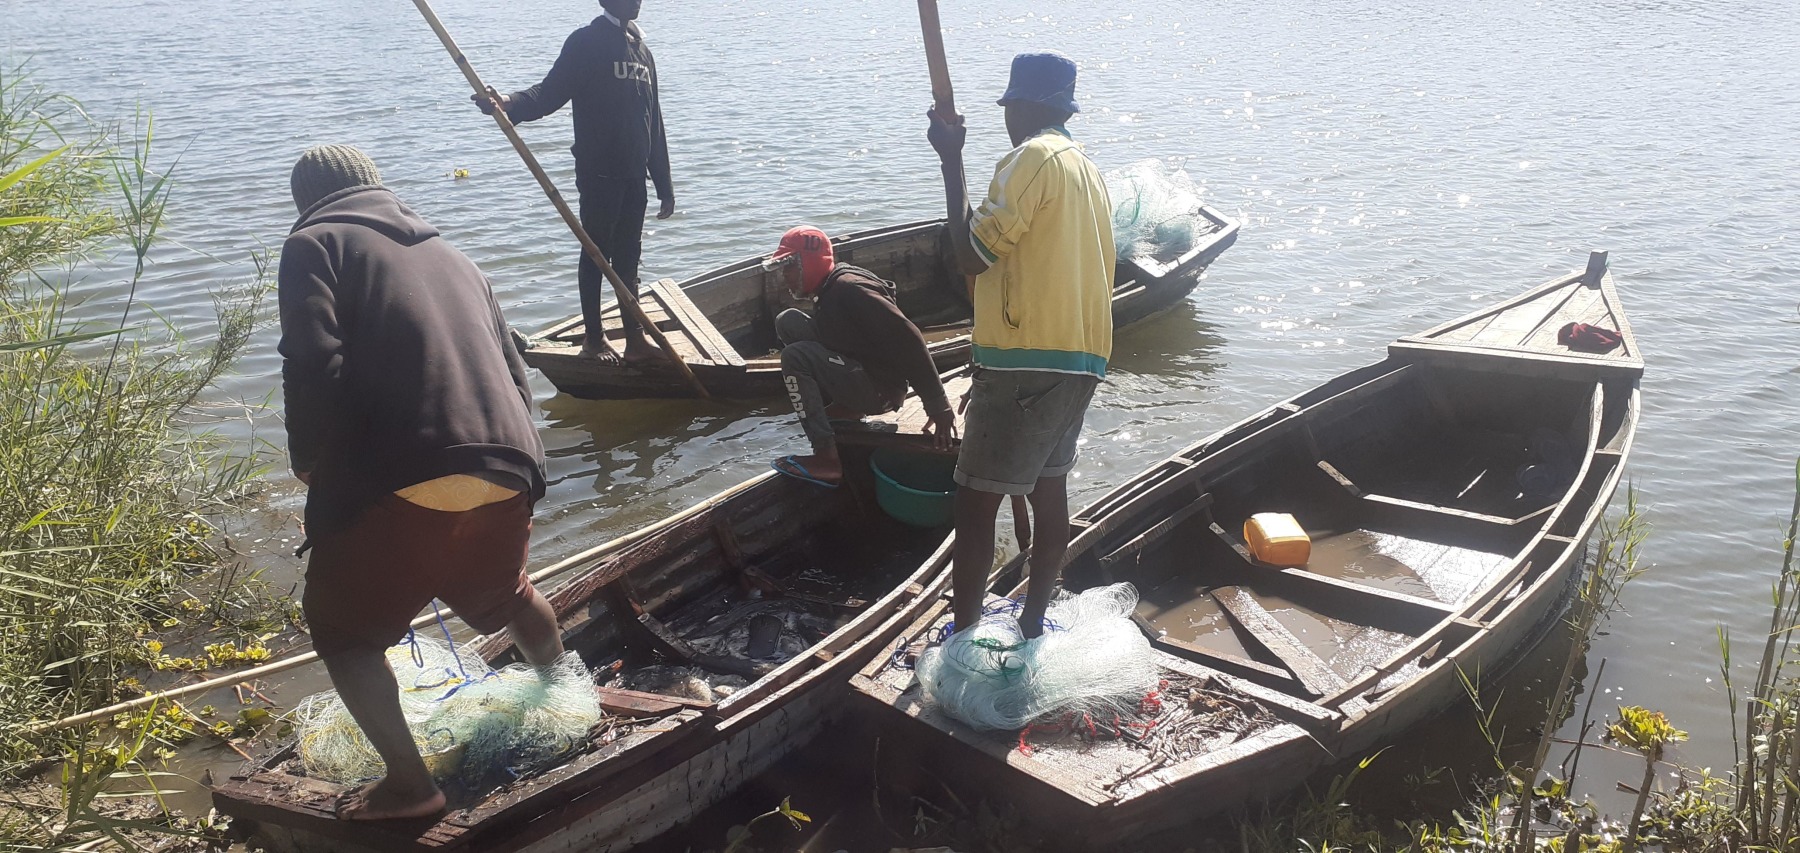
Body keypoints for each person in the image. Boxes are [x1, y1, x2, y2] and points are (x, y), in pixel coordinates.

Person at [278, 145, 565, 821]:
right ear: (377, 188)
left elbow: (314, 364)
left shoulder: (314, 243)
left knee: (344, 632)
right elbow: (513, 368)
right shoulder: (455, 255)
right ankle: (564, 698)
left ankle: (412, 788)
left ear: (307, 198)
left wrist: (309, 462)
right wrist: (522, 468)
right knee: (511, 591)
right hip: (512, 461)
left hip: (413, 469)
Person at [926, 53, 1116, 639]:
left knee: (975, 501)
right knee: (1048, 486)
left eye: (1009, 107)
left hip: (1024, 360)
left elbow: (968, 255)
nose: (1006, 119)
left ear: (1027, 107)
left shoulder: (1031, 158)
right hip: (1083, 357)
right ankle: (1032, 624)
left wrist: (951, 161)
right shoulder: (1087, 168)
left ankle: (962, 639)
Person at [474, 0, 673, 364]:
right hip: (599, 172)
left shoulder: (642, 52)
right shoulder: (586, 42)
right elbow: (547, 94)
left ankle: (635, 339)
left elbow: (653, 120)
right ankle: (594, 340)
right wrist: (505, 102)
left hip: (634, 175)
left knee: (629, 257)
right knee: (596, 253)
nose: (639, 1)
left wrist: (663, 181)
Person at [764, 226, 957, 488]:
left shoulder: (850, 288)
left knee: (795, 357)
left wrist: (938, 405)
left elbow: (909, 338)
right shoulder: (830, 285)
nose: (784, 277)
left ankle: (826, 458)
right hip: (861, 369)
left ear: (808, 263)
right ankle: (850, 408)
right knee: (789, 322)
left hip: (881, 390)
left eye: (788, 267)